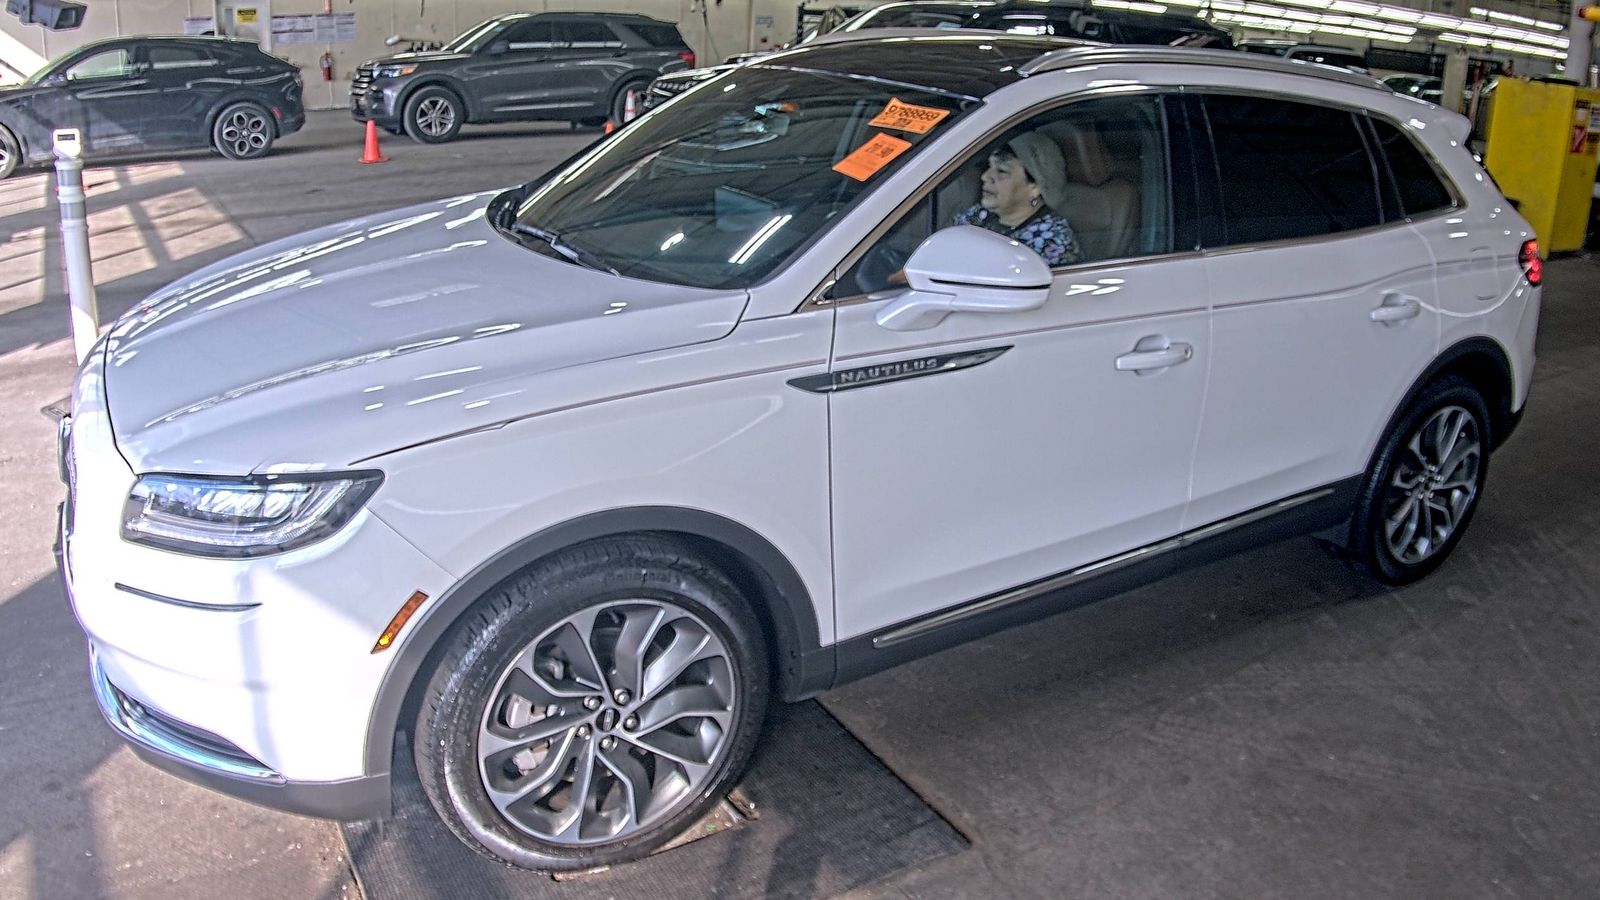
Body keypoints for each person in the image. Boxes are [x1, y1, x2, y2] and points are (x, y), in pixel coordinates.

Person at [953, 131, 1082, 267]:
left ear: (1035, 188)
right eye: (989, 167)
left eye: (1002, 171)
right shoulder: (979, 214)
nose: (985, 176)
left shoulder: (1052, 243)